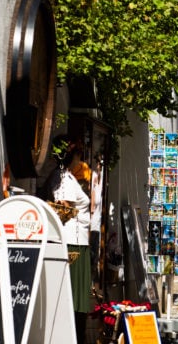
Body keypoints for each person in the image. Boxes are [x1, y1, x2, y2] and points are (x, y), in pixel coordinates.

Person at [44, 136, 91, 343]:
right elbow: (65, 209)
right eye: (79, 155)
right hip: (73, 240)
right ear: (74, 155)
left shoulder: (68, 177)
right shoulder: (63, 178)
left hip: (78, 239)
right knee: (73, 294)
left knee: (77, 295)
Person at [89, 155, 104, 292]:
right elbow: (93, 203)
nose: (100, 166)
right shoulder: (93, 177)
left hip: (97, 225)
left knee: (95, 257)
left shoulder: (100, 178)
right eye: (99, 163)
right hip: (91, 225)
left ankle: (94, 285)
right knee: (92, 256)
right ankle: (92, 285)